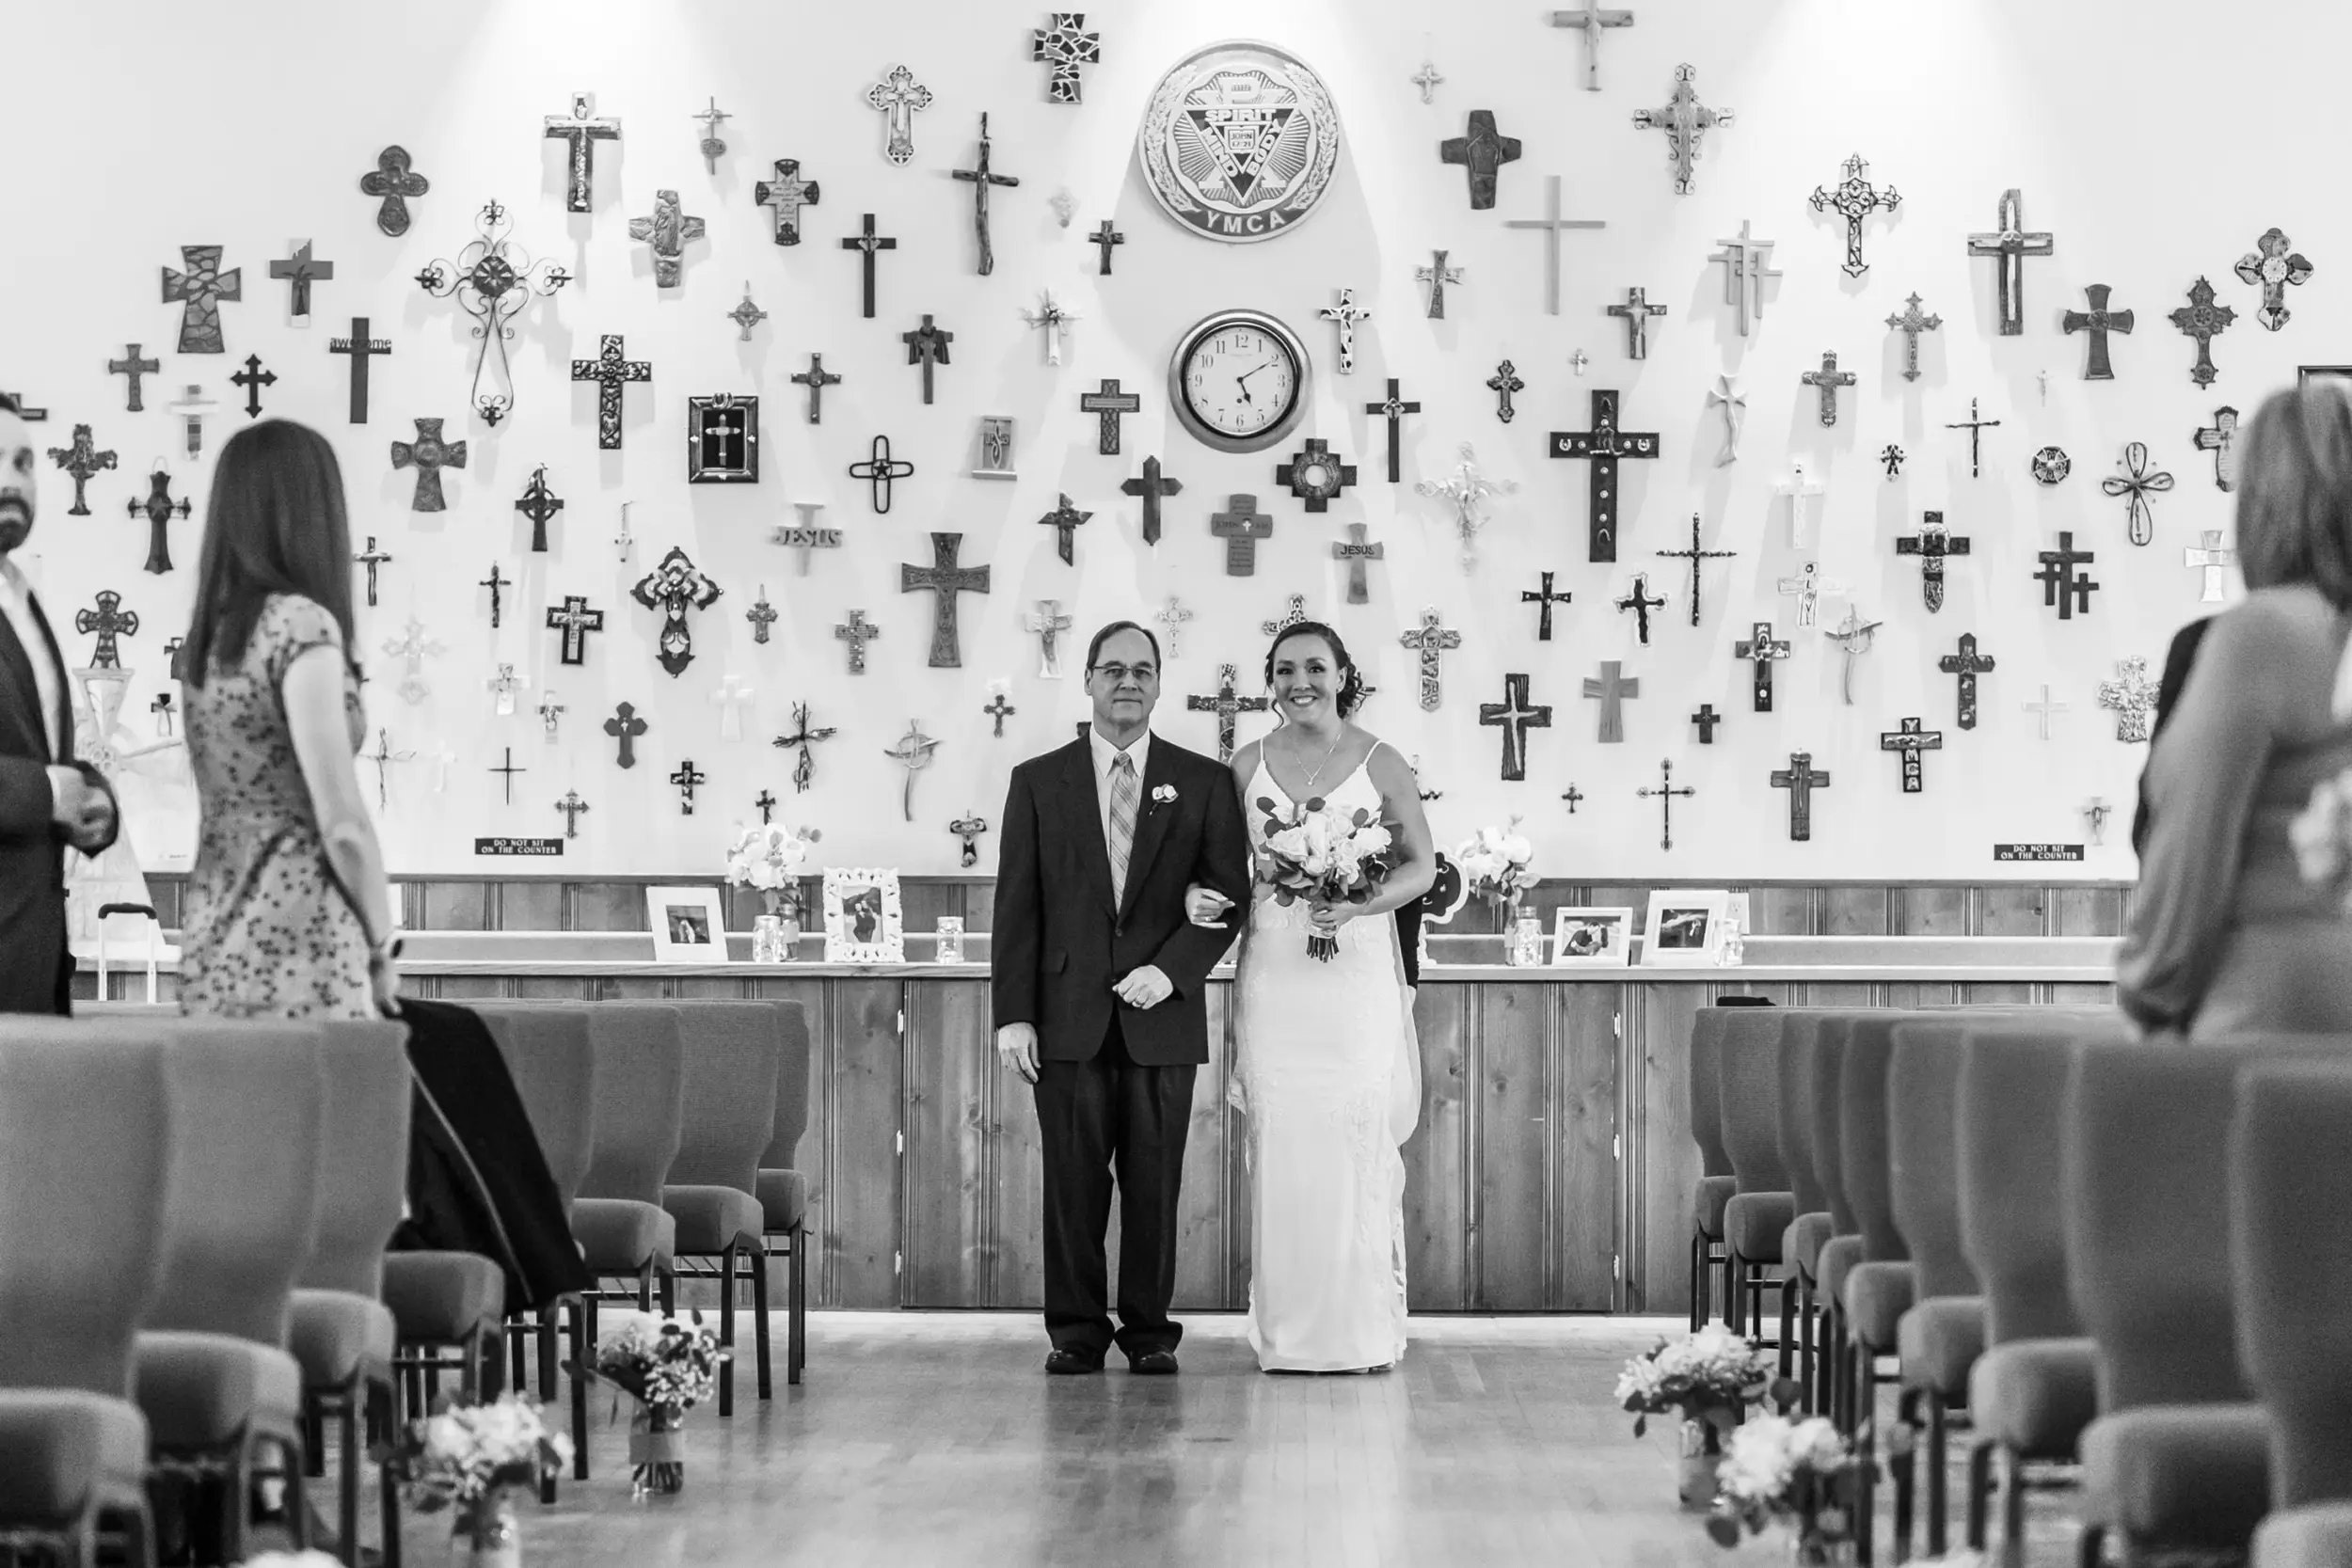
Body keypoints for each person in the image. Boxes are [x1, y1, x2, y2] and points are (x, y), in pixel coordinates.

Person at [991, 622, 1249, 1375]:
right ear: (1089, 681)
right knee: (1072, 1186)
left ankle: (1147, 1333)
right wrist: (1013, 1013)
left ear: (1160, 683)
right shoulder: (1038, 780)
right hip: (1066, 1018)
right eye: (1113, 669)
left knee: (1154, 1184)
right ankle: (1075, 1329)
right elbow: (1017, 907)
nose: (1127, 681)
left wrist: (1171, 970)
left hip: (1160, 1018)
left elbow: (1229, 897)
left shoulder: (1202, 780)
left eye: (1141, 669)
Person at [1189, 622, 1436, 1372]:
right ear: (1271, 679)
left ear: (1341, 674)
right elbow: (1230, 868)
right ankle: (1288, 1330)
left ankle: (1359, 1330)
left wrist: (1360, 903)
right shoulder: (1243, 764)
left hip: (1353, 974)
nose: (1303, 681)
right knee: (1285, 1139)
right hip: (1278, 974)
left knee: (1353, 1138)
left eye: (1317, 668)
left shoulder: (1381, 759)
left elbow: (1421, 864)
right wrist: (1220, 891)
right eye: (1288, 669)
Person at [2119, 381, 2352, 1037]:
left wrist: (2149, 993)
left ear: (2260, 505)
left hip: (2276, 1025)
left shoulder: (2259, 638)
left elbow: (2190, 848)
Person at [178, 420, 397, 1020]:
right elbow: (344, 824)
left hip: (211, 938)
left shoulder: (210, 639)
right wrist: (383, 945)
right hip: (302, 949)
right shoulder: (300, 627)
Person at [0, 396, 119, 1013]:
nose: (10, 481)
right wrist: (47, 795)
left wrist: (92, 798)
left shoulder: (21, 595)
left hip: (31, 950)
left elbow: (36, 744)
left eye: (23, 462)